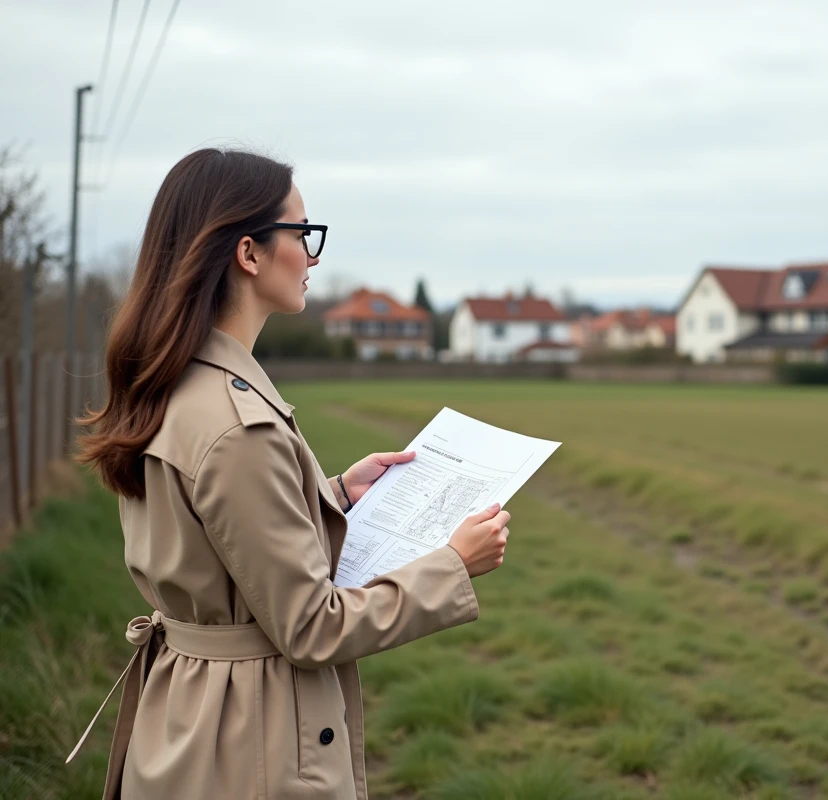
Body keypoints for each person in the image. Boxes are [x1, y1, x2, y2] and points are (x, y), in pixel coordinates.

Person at [68, 147, 510, 799]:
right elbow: (312, 625)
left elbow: (214, 538)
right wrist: (451, 564)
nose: (314, 256)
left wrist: (330, 494)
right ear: (249, 253)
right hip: (247, 740)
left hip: (190, 715)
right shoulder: (235, 423)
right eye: (303, 234)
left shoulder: (174, 384)